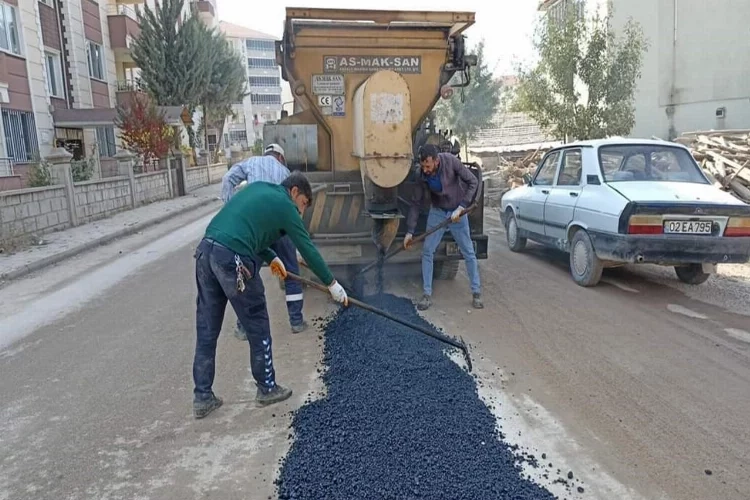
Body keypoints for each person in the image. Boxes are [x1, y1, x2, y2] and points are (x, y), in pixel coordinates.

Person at [192, 172, 349, 418]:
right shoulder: (285, 205)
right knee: (257, 324)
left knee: (207, 329)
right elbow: (306, 247)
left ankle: (202, 397)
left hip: (206, 252)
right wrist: (332, 283)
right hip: (233, 259)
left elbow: (248, 229)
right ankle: (266, 388)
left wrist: (272, 257)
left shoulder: (261, 190)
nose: (301, 212)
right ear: (295, 192)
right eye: (304, 204)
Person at [221, 144, 308, 336]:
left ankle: (243, 328)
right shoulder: (285, 172)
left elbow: (227, 178)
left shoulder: (251, 163)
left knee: (246, 274)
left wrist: (231, 207)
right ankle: (296, 322)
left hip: (256, 230)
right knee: (291, 272)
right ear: (280, 157)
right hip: (280, 228)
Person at [404, 144, 483, 311]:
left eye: (428, 166)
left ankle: (476, 293)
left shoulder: (451, 162)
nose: (425, 169)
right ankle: (427, 294)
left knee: (468, 251)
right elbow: (415, 203)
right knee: (427, 251)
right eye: (423, 165)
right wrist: (409, 231)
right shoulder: (421, 174)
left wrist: (462, 207)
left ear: (436, 161)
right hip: (438, 212)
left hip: (458, 212)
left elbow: (473, 181)